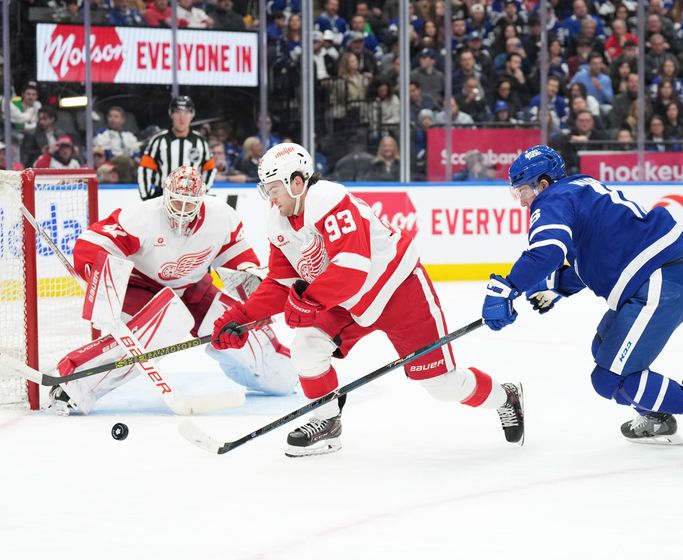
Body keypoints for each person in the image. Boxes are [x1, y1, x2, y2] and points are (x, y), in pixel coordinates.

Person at [211, 143, 524, 457]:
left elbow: (351, 267)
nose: (270, 197)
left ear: (297, 182)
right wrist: (242, 317)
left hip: (398, 291)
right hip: (345, 302)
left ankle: (504, 397)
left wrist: (307, 301)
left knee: (442, 385)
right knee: (307, 346)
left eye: (274, 188)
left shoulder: (328, 199)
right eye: (266, 189)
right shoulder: (278, 223)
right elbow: (281, 282)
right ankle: (327, 424)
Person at [481, 145, 683, 463]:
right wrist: (558, 286)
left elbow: (548, 251)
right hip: (662, 279)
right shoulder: (581, 190)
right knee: (603, 345)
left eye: (523, 191)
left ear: (543, 184)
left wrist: (507, 287)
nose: (523, 200)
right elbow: (598, 255)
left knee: (608, 379)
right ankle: (657, 418)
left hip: (659, 284)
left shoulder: (552, 199)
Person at [48, 166, 297, 415]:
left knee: (238, 327)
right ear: (166, 195)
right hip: (142, 288)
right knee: (164, 324)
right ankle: (72, 383)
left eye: (189, 204)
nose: (181, 209)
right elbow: (91, 244)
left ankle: (280, 373)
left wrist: (255, 298)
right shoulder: (142, 217)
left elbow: (240, 263)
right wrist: (99, 277)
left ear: (202, 200)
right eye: (176, 201)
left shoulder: (221, 217)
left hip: (192, 288)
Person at [137, 95, 214, 200]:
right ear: (171, 114)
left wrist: (202, 194)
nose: (182, 118)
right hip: (162, 197)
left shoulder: (201, 142)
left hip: (191, 199)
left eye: (187, 112)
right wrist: (146, 197)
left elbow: (209, 169)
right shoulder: (159, 140)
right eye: (178, 112)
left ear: (192, 114)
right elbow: (145, 169)